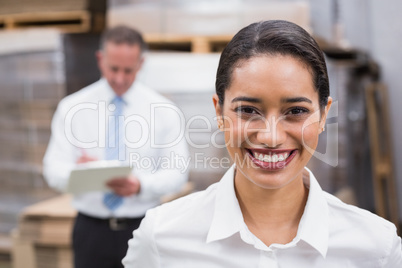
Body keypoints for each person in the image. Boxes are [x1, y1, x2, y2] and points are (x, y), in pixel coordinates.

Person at [122, 20, 402, 267]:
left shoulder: (376, 248)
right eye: (248, 110)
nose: (271, 137)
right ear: (219, 113)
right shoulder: (162, 238)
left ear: (324, 114)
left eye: (296, 111)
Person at [43, 25, 189, 268]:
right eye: (113, 69)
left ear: (141, 63)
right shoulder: (72, 109)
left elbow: (178, 174)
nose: (120, 78)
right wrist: (82, 176)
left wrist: (140, 185)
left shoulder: (165, 111)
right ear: (100, 59)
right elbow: (52, 171)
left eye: (128, 70)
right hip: (91, 233)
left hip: (144, 227)